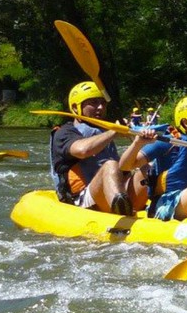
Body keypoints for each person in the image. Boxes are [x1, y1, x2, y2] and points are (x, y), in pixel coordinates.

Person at [49, 81, 148, 216]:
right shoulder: (65, 132)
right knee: (110, 165)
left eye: (103, 103)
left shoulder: (103, 131)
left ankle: (166, 207)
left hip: (117, 191)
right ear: (75, 107)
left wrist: (138, 142)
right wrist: (114, 131)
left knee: (147, 168)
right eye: (93, 103)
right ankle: (123, 214)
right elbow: (83, 150)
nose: (100, 107)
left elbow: (127, 167)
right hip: (83, 198)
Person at [120, 94, 187, 223]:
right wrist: (137, 143)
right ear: (186, 122)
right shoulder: (168, 142)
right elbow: (125, 166)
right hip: (166, 203)